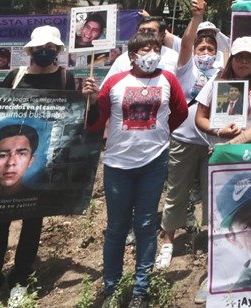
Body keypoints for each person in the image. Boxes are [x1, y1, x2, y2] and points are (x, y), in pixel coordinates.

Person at [85, 31, 189, 308]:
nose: (151, 54)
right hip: (118, 165)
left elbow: (180, 112)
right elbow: (95, 124)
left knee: (145, 225)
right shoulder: (115, 82)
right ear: (131, 56)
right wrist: (93, 101)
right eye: (144, 50)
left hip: (153, 164)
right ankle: (112, 288)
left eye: (155, 48)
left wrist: (159, 135)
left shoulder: (168, 80)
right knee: (117, 228)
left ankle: (140, 289)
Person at [0, 25, 75, 308]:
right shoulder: (15, 76)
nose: (46, 53)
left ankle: (20, 279)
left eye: (52, 50)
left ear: (57, 52)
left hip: (42, 163)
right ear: (31, 51)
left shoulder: (67, 78)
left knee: (33, 223)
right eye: (42, 49)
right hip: (12, 160)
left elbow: (74, 117)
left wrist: (88, 98)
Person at [193, 36, 251, 303]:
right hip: (223, 160)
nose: (244, 62)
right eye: (239, 57)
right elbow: (200, 118)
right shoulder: (216, 82)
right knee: (220, 217)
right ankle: (216, 273)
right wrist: (219, 131)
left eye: (249, 58)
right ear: (232, 59)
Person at [157, 3, 218, 273]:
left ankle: (211, 241)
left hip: (210, 143)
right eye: (201, 48)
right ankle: (168, 240)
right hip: (182, 139)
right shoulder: (184, 68)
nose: (205, 52)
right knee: (176, 191)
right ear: (194, 50)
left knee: (212, 193)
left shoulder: (221, 73)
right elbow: (183, 43)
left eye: (210, 49)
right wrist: (197, 18)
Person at [0, 124, 39, 198]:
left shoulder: (39, 200)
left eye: (21, 154)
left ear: (30, 160)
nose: (10, 163)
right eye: (2, 155)